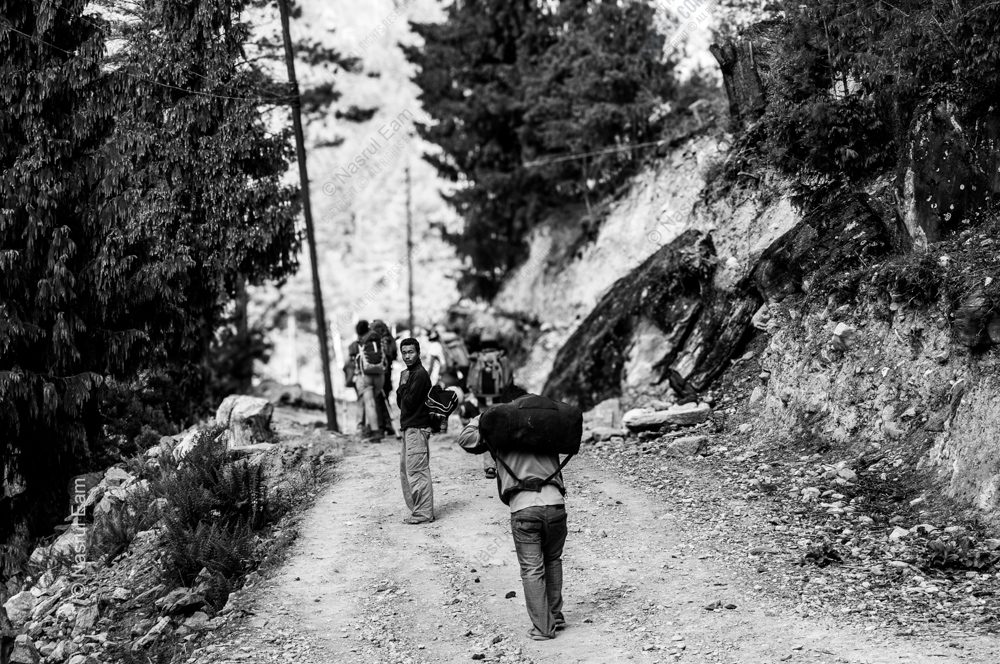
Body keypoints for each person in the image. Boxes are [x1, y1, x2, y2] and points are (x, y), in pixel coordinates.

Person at [457, 385, 568, 641]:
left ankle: (543, 628)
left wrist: (485, 415)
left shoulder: (499, 430)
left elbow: (466, 438)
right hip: (555, 505)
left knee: (532, 569)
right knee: (552, 560)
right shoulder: (544, 427)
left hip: (524, 508)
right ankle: (555, 616)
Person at [396, 337, 435, 524]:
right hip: (408, 428)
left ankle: (424, 513)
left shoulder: (419, 374)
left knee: (418, 471)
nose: (407, 356)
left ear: (418, 353)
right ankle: (417, 509)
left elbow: (409, 403)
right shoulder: (408, 373)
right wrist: (403, 386)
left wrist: (403, 385)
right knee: (407, 471)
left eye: (410, 352)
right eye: (404, 352)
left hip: (417, 428)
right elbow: (400, 402)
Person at [458, 391, 496, 479]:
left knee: (487, 435)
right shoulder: (469, 403)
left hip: (483, 406)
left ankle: (491, 466)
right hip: (497, 401)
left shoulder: (469, 404)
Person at [371, 319, 398, 438]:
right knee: (385, 398)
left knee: (378, 399)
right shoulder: (390, 340)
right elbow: (395, 355)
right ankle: (388, 425)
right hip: (388, 373)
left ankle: (381, 427)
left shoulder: (377, 341)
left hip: (379, 373)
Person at [345, 320, 370, 434]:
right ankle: (373, 427)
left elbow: (348, 363)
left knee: (361, 400)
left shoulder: (353, 346)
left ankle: (360, 426)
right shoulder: (373, 343)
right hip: (374, 375)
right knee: (372, 401)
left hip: (359, 376)